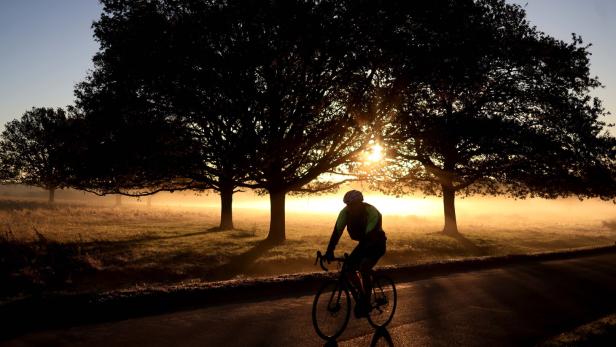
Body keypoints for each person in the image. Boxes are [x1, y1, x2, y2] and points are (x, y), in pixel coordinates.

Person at [325, 190, 387, 317]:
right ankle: (361, 293)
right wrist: (329, 251)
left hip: (377, 243)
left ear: (360, 203)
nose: (350, 208)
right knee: (348, 269)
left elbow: (369, 235)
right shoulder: (345, 212)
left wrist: (359, 257)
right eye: (348, 205)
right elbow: (337, 232)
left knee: (364, 267)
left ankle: (366, 301)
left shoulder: (372, 212)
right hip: (364, 243)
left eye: (353, 205)